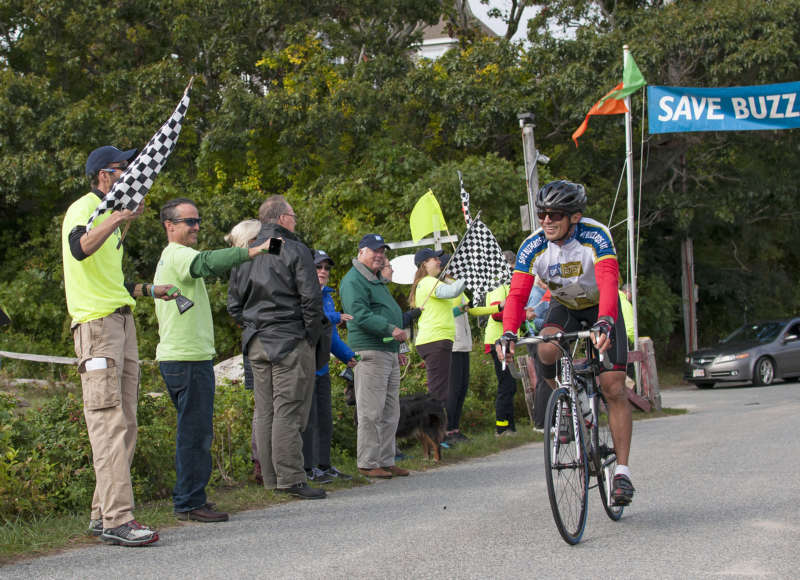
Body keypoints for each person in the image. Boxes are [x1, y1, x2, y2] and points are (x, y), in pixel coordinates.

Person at [62, 145, 178, 546]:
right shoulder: (85, 208)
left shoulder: (109, 220)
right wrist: (116, 217)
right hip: (97, 330)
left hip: (120, 323)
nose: (131, 175)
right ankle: (117, 520)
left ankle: (101, 514)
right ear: (104, 177)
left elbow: (112, 284)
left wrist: (148, 289)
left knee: (125, 423)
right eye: (123, 169)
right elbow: (79, 248)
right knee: (108, 423)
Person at [498, 180, 635, 506]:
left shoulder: (596, 236)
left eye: (555, 214)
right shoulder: (533, 246)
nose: (546, 220)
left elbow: (608, 279)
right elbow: (517, 294)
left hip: (602, 306)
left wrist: (605, 320)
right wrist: (508, 331)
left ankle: (623, 474)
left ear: (574, 216)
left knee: (614, 387)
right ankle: (568, 403)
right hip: (566, 307)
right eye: (542, 213)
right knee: (544, 346)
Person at [154, 199, 274, 522]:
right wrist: (249, 251)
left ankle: (192, 498)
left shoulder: (173, 256)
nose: (195, 226)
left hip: (187, 357)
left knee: (194, 431)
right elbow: (206, 263)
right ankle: (189, 502)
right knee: (194, 434)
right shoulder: (179, 255)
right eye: (188, 221)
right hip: (186, 359)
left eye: (197, 220)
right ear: (169, 226)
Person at [227, 195, 326, 500]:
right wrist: (308, 335)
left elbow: (233, 306)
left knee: (265, 410)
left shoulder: (248, 252)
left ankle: (271, 478)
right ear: (283, 218)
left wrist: (256, 325)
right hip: (289, 340)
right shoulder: (294, 249)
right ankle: (291, 477)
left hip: (256, 342)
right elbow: (311, 298)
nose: (295, 221)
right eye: (293, 215)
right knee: (289, 409)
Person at [339, 234, 410, 479]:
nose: (379, 255)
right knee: (371, 411)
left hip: (388, 350)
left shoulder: (377, 280)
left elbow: (388, 312)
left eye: (382, 251)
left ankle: (386, 459)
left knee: (391, 410)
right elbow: (358, 314)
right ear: (361, 252)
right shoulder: (353, 280)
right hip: (369, 351)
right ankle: (368, 463)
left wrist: (398, 347)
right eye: (374, 250)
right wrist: (390, 329)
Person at [302, 249, 358, 483]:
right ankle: (307, 468)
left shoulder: (327, 295)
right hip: (305, 367)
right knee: (308, 420)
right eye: (318, 267)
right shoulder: (303, 293)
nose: (323, 271)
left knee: (325, 418)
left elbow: (331, 336)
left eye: (326, 268)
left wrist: (348, 356)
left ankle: (324, 465)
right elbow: (315, 321)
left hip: (322, 366)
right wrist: (335, 316)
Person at [224, 219, 263, 482]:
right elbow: (234, 308)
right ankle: (262, 463)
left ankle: (264, 462)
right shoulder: (246, 266)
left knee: (264, 405)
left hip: (253, 337)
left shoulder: (240, 266)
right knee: (265, 404)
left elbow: (233, 308)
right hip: (260, 339)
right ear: (251, 241)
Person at [409, 249, 465, 405]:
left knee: (439, 391)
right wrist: (467, 274)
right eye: (435, 259)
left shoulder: (427, 282)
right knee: (438, 394)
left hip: (434, 340)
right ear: (424, 264)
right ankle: (434, 428)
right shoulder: (428, 282)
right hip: (436, 340)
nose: (440, 261)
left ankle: (434, 427)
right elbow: (453, 291)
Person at [482, 251, 519, 436]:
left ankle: (510, 426)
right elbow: (496, 313)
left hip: (505, 339)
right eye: (512, 269)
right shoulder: (498, 282)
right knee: (506, 385)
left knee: (510, 385)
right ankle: (502, 427)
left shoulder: (505, 282)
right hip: (497, 340)